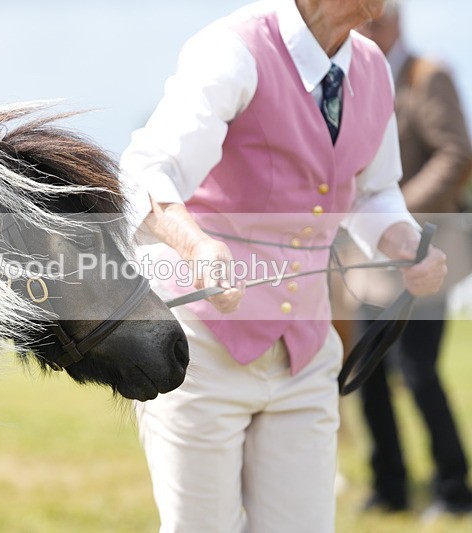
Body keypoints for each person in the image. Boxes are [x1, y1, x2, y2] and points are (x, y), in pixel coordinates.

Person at [119, 0, 448, 531]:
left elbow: (372, 193)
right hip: (201, 348)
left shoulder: (371, 65)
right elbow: (147, 174)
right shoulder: (232, 49)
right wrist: (199, 248)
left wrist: (409, 243)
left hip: (308, 349)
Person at [356, 1, 472, 518]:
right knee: (368, 370)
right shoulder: (356, 81)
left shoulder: (429, 75)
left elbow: (456, 153)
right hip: (367, 259)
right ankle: (390, 488)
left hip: (426, 250)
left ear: (392, 17)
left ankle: (453, 489)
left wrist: (395, 214)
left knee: (418, 369)